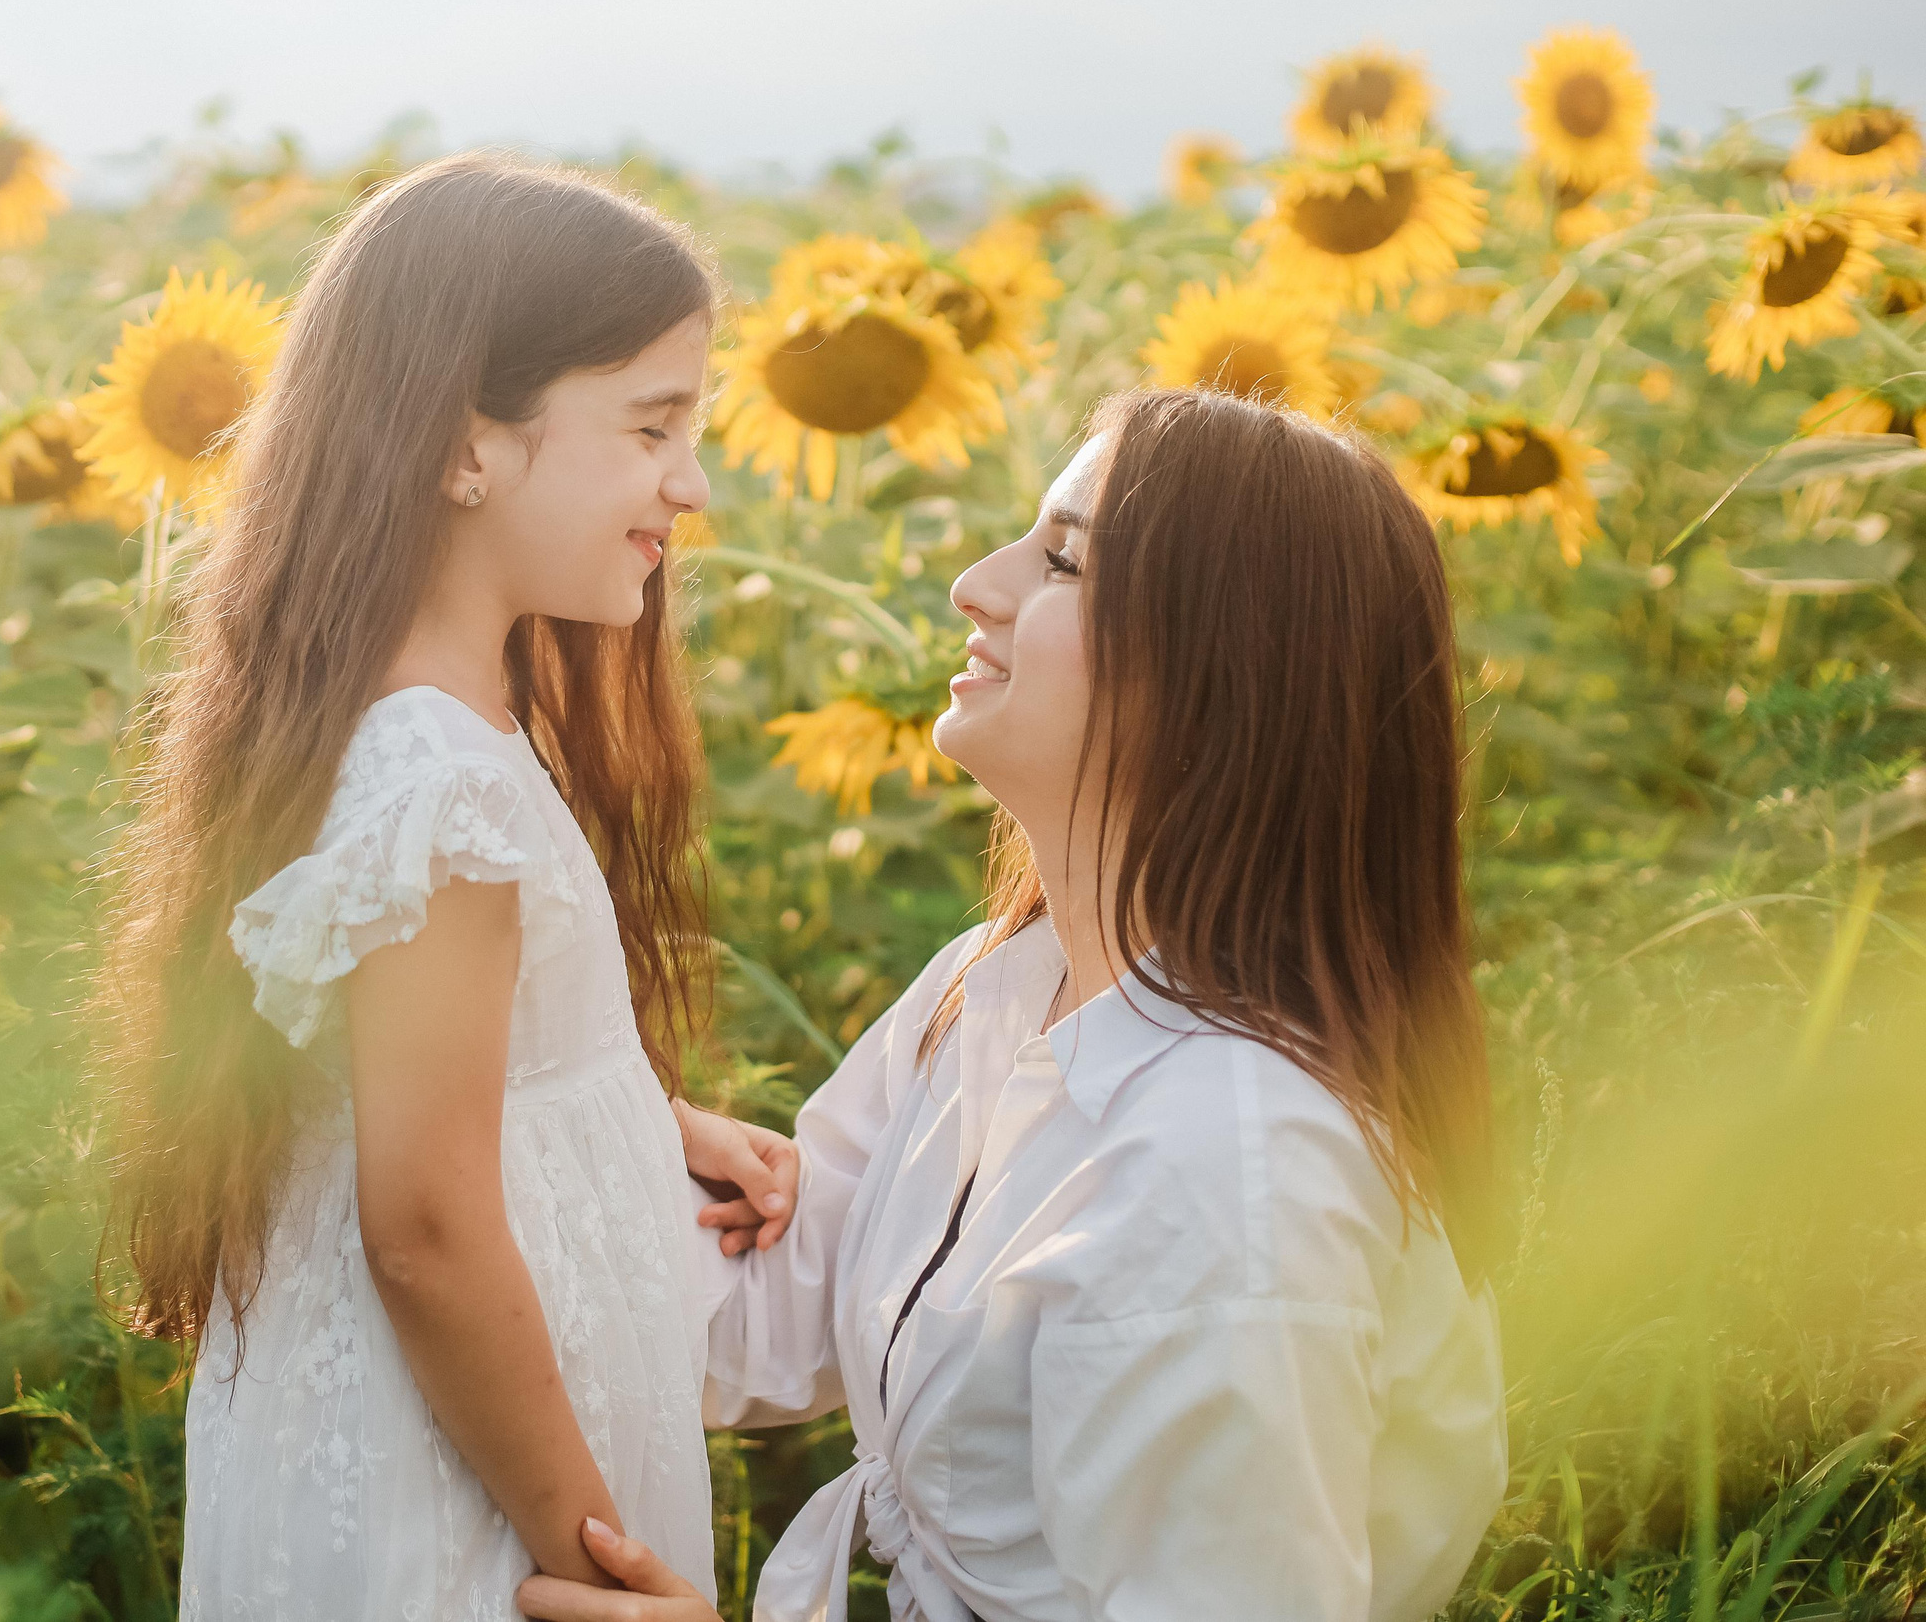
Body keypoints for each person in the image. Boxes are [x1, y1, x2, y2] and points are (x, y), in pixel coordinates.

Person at [519, 387, 1509, 1622]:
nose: (974, 586)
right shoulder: (1000, 985)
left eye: (1062, 561)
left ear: (1223, 660)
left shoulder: (1226, 1168)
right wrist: (561, 1114)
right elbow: (748, 1322)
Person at [93, 152, 799, 1622]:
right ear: (465, 444)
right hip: (486, 1503)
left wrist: (634, 1111)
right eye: (653, 424)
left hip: (442, 1447)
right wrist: (587, 1549)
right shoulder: (443, 784)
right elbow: (423, 1225)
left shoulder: (404, 725)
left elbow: (403, 1067)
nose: (693, 480)